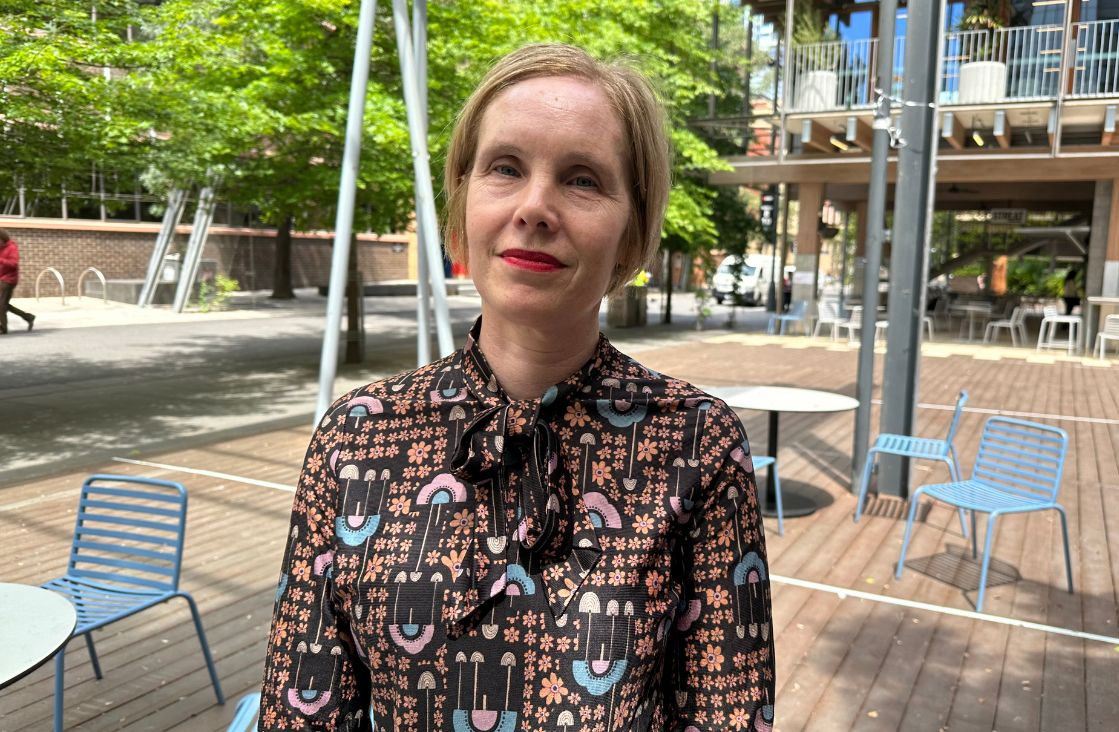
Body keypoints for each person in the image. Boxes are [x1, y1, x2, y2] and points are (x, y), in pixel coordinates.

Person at [260, 44, 775, 731]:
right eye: (505, 168)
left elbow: (725, 715)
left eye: (583, 179)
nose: (535, 206)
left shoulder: (697, 442)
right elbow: (304, 707)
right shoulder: (357, 434)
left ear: (631, 232)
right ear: (462, 203)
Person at [0, 229, 35, 335]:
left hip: (9, 280)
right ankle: (28, 317)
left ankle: (3, 328)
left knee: (1, 305)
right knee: (4, 304)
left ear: (2, 239)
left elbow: (13, 263)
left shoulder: (12, 247)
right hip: (1, 278)